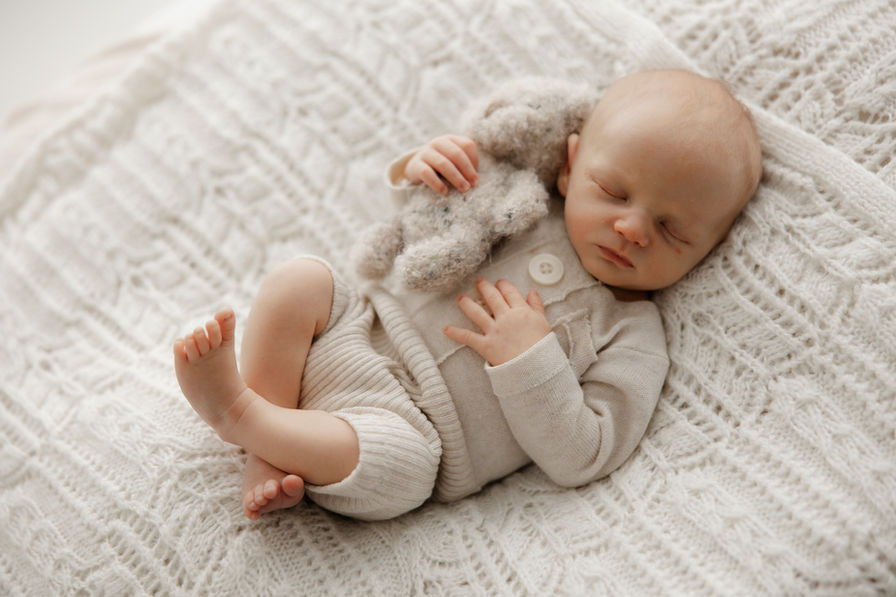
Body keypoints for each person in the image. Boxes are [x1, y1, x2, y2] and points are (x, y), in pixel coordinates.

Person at [172, 69, 762, 521]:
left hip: (413, 431)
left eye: (672, 230)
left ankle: (241, 414)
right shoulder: (525, 203)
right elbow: (424, 222)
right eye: (613, 191)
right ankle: (266, 444)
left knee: (399, 467)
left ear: (710, 249)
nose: (632, 228)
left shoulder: (634, 335)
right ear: (570, 166)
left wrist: (531, 362)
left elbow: (586, 454)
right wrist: (423, 167)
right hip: (361, 326)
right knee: (301, 279)